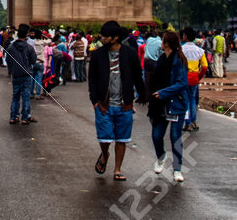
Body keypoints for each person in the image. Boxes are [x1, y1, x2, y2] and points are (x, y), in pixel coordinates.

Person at [88, 20, 147, 182]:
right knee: (105, 138)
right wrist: (94, 100)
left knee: (122, 139)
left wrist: (142, 95)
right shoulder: (97, 54)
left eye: (106, 35)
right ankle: (105, 154)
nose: (102, 37)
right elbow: (92, 79)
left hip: (124, 104)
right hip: (103, 104)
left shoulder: (130, 54)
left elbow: (137, 77)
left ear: (115, 37)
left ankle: (117, 169)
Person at [149, 31, 189, 183]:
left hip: (175, 103)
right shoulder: (161, 59)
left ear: (167, 43)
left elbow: (183, 83)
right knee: (156, 135)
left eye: (163, 39)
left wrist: (164, 92)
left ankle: (177, 169)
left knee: (175, 137)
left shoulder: (179, 60)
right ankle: (161, 156)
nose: (160, 41)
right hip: (160, 104)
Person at [6, 24, 37, 125]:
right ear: (26, 35)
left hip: (16, 75)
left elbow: (8, 61)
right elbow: (33, 60)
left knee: (15, 96)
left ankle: (13, 117)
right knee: (26, 96)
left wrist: (12, 70)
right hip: (26, 75)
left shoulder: (11, 47)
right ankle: (24, 117)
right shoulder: (29, 47)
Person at [179, 28, 207, 132]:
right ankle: (193, 121)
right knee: (193, 99)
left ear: (185, 36)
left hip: (184, 77)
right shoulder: (199, 50)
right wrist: (199, 76)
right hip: (195, 77)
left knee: (185, 100)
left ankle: (187, 122)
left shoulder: (181, 49)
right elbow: (204, 66)